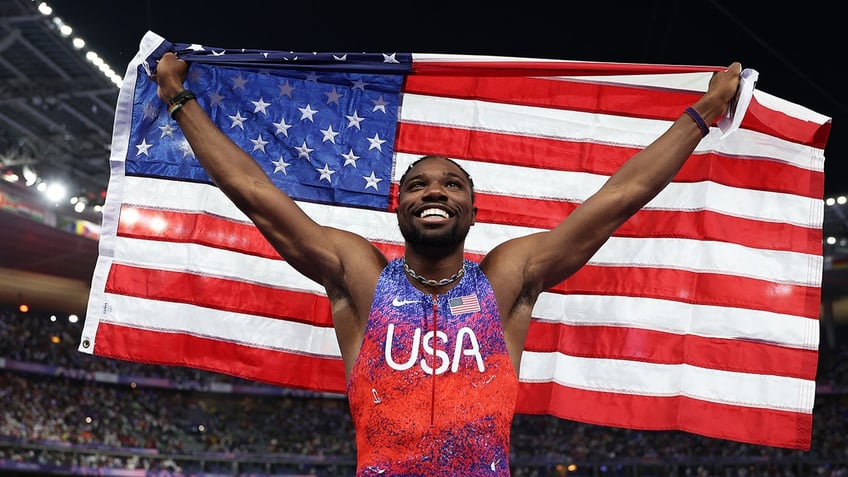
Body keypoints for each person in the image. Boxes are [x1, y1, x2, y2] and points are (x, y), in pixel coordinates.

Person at [153, 52, 742, 476]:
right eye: (419, 185)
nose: (434, 192)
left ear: (474, 212)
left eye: (452, 185)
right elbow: (257, 194)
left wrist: (704, 113)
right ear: (399, 206)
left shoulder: (509, 277)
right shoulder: (360, 276)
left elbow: (617, 200)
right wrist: (179, 101)